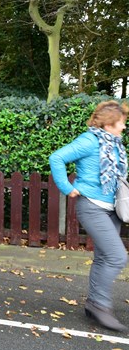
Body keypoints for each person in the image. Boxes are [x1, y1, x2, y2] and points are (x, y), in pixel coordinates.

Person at [50, 100, 129, 332]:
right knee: (117, 257)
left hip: (111, 208)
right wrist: (67, 187)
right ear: (109, 123)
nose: (124, 127)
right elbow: (57, 158)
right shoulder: (89, 141)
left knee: (104, 257)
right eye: (121, 122)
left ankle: (94, 303)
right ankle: (100, 306)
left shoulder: (115, 144)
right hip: (92, 206)